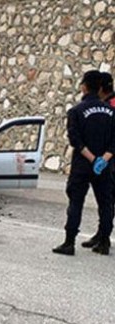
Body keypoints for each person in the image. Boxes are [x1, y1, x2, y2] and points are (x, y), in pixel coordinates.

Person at [53, 70, 115, 256]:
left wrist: (91, 158)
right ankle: (104, 242)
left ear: (85, 87)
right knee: (105, 203)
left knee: (76, 202)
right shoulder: (112, 112)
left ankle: (69, 242)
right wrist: (103, 159)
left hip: (82, 165)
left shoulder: (76, 111)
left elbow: (76, 140)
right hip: (104, 165)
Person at [82, 71, 115, 248]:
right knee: (107, 201)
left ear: (100, 88)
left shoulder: (110, 106)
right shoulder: (107, 104)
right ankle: (101, 234)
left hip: (109, 160)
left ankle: (103, 238)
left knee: (107, 201)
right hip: (107, 159)